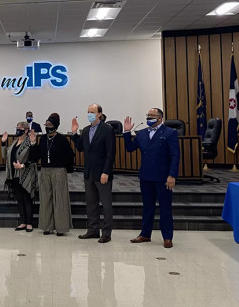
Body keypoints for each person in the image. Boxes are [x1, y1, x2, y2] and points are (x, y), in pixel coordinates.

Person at [122, 108, 180, 248]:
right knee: (148, 207)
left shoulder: (170, 133)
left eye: (152, 116)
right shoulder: (141, 133)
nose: (149, 118)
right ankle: (145, 234)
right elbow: (130, 148)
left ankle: (167, 237)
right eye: (148, 115)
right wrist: (127, 132)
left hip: (163, 177)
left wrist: (172, 175)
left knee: (165, 208)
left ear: (160, 118)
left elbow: (175, 155)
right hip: (146, 176)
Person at [71, 104, 116, 243]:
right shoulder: (85, 130)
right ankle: (93, 230)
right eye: (88, 112)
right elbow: (80, 148)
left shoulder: (107, 129)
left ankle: (106, 233)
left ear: (99, 114)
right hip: (89, 173)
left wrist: (106, 172)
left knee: (106, 204)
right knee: (91, 204)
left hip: (102, 173)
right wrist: (74, 134)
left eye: (92, 112)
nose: (89, 114)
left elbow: (110, 153)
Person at [29, 113, 74, 236]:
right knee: (45, 199)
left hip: (58, 171)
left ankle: (61, 228)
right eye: (46, 125)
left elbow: (70, 155)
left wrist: (67, 169)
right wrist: (33, 144)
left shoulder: (61, 139)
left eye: (49, 125)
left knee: (60, 199)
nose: (47, 127)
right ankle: (46, 227)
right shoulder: (43, 138)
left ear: (55, 126)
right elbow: (35, 157)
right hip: (45, 171)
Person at [1, 121, 38, 232]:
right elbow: (5, 156)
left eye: (20, 128)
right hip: (13, 175)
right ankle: (23, 222)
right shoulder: (15, 142)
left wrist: (22, 165)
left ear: (26, 130)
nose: (18, 129)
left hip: (25, 174)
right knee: (19, 199)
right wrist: (3, 142)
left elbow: (34, 158)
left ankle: (29, 223)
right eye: (17, 127)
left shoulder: (29, 142)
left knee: (27, 199)